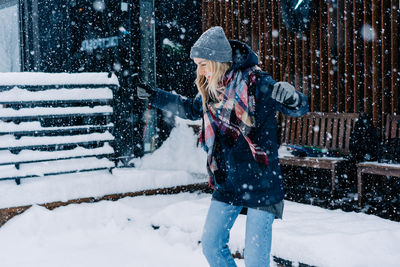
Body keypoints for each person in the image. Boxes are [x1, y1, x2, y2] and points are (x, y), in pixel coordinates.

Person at [136, 26, 308, 267]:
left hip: (261, 183)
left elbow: (297, 107)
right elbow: (190, 109)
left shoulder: (256, 83)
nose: (199, 71)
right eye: (197, 64)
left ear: (217, 61)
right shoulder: (213, 90)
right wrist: (155, 96)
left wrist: (294, 98)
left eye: (203, 64)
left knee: (256, 261)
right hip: (228, 180)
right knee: (211, 245)